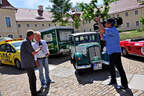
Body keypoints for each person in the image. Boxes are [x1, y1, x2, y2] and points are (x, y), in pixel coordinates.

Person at [95, 17, 129, 89]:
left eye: (106, 23)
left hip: (115, 52)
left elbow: (103, 30)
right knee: (111, 67)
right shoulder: (108, 31)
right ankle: (113, 80)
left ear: (110, 24)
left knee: (119, 68)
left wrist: (98, 21)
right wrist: (100, 31)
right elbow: (102, 38)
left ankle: (125, 84)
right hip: (111, 52)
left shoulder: (113, 30)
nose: (105, 24)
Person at [20, 30, 42, 96]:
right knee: (32, 79)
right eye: (33, 35)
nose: (34, 36)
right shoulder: (26, 42)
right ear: (31, 35)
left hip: (29, 63)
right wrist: (39, 48)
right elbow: (34, 52)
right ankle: (34, 93)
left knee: (33, 78)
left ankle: (34, 92)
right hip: (28, 64)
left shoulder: (27, 41)